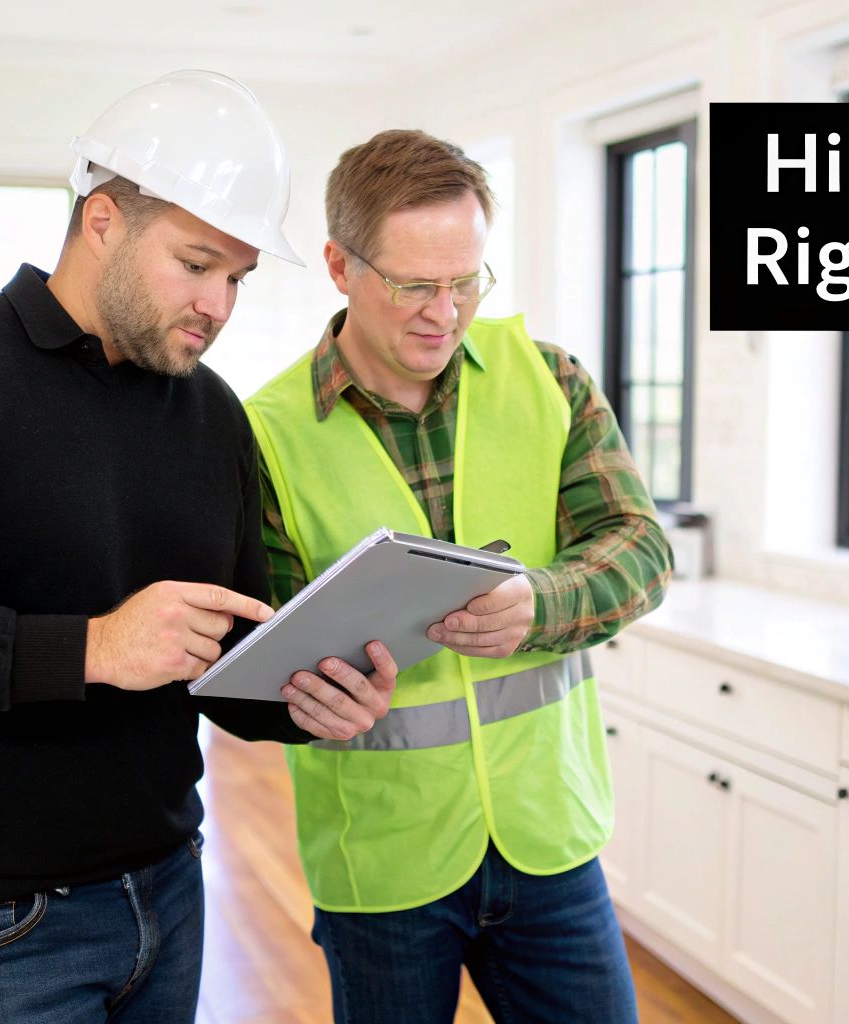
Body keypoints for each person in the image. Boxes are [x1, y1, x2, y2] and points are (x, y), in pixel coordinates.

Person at [0, 70, 396, 1022]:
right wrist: (97, 647)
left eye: (238, 277)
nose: (219, 305)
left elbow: (225, 652)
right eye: (196, 265)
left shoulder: (211, 414)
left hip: (171, 884)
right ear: (102, 219)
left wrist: (306, 700)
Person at [245, 128, 673, 1023]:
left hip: (548, 840)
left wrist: (542, 604)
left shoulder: (551, 379)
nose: (444, 313)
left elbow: (638, 546)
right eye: (413, 286)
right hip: (384, 863)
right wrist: (302, 698)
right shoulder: (264, 432)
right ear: (339, 265)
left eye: (465, 281)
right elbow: (257, 647)